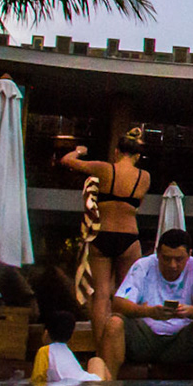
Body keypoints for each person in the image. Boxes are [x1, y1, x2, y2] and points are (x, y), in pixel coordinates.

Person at [99, 229, 193, 381]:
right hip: (144, 338)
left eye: (179, 259)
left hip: (182, 341)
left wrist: (189, 311)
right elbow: (119, 303)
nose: (172, 265)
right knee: (114, 323)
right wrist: (147, 311)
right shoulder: (143, 265)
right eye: (166, 259)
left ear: (189, 255)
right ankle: (108, 384)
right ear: (158, 253)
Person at [61, 128, 151, 336]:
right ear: (138, 156)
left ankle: (101, 344)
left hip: (103, 233)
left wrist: (79, 151)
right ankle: (121, 341)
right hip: (129, 235)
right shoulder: (144, 177)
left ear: (116, 152)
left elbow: (67, 161)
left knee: (101, 294)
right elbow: (137, 205)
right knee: (127, 293)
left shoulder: (104, 169)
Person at [30, 311, 106, 385]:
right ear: (71, 336)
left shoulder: (44, 351)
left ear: (46, 333)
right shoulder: (67, 351)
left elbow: (37, 379)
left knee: (95, 361)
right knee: (96, 361)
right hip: (84, 383)